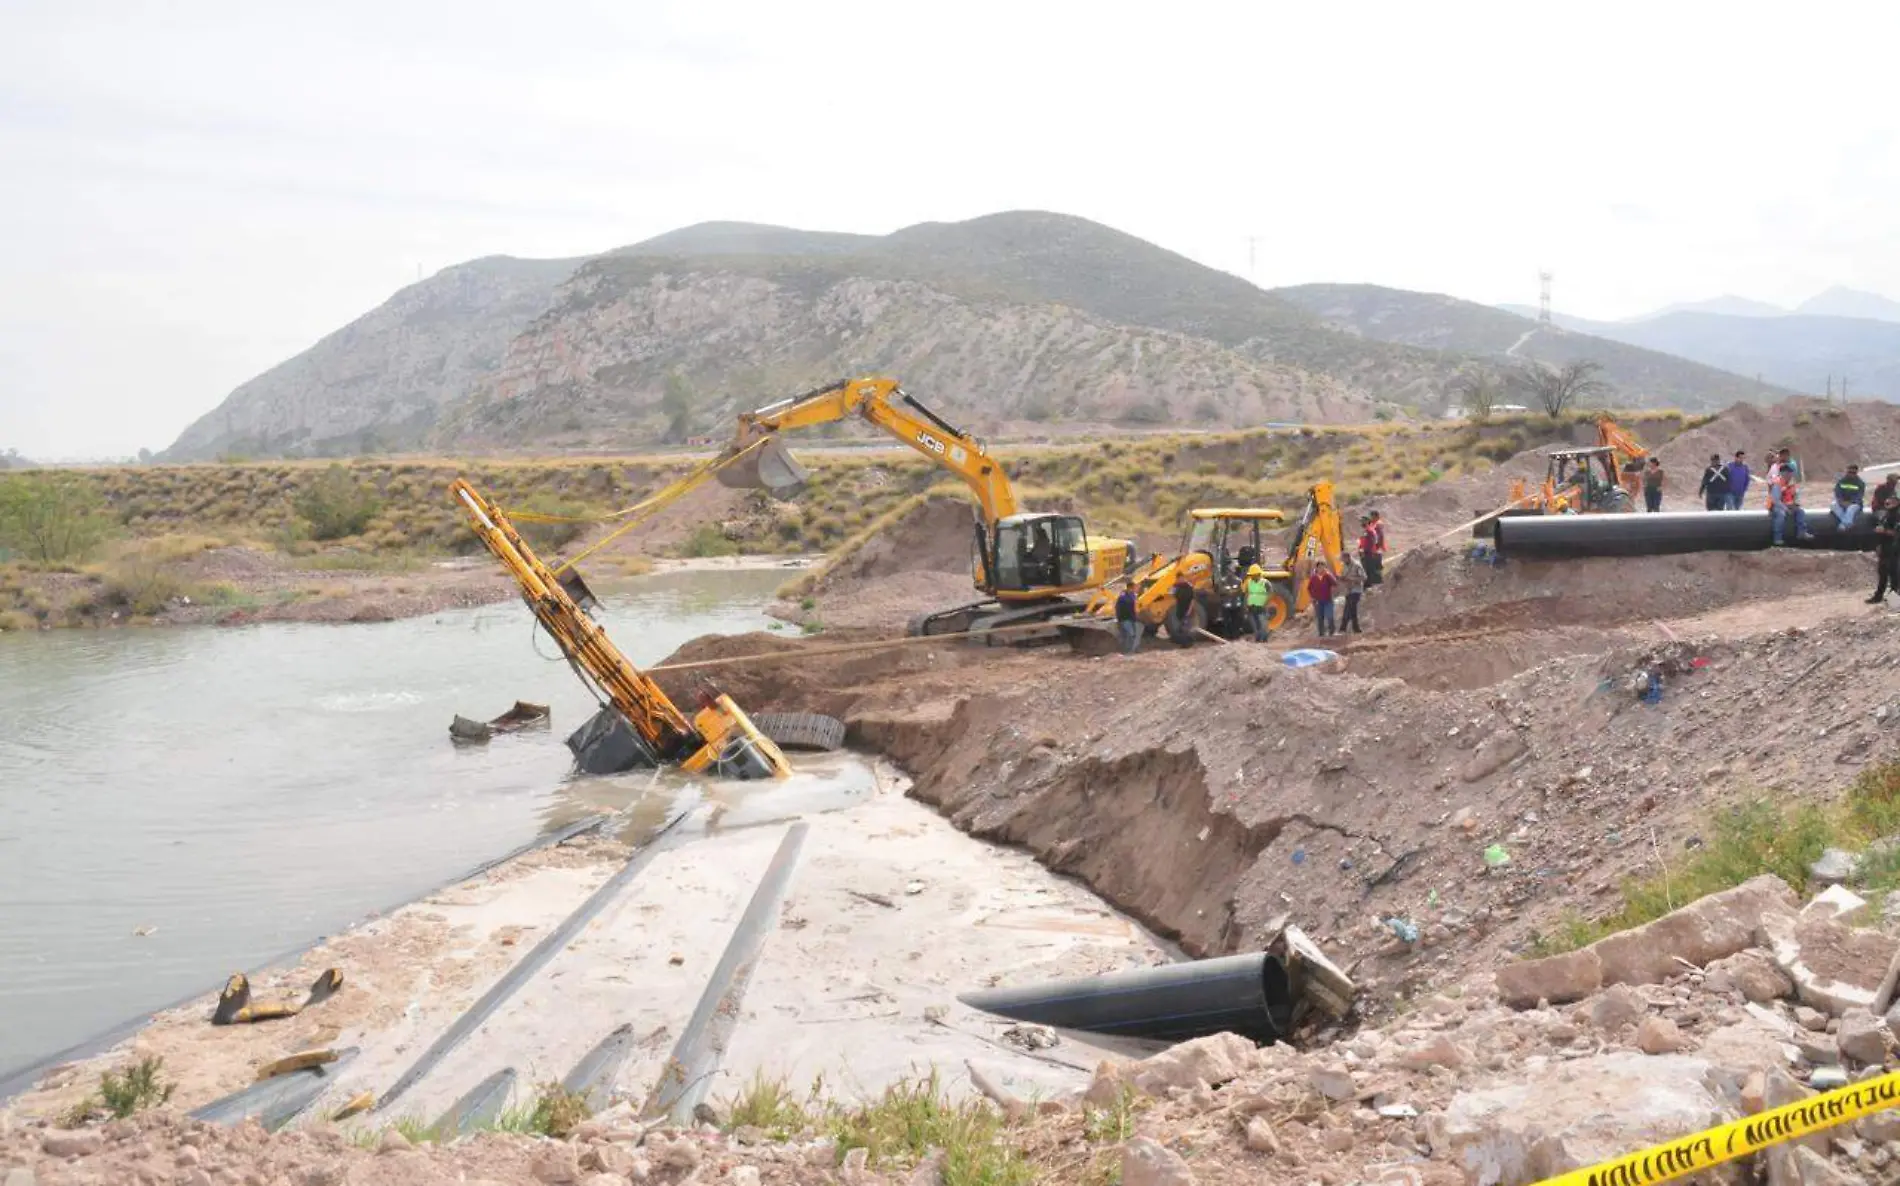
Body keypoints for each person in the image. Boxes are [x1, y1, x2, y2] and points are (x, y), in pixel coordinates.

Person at [1769, 468, 1815, 546]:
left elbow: (1796, 496)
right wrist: (1786, 509)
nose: (1790, 476)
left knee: (1800, 512)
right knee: (1781, 515)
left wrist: (1796, 505)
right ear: (1783, 474)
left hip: (1788, 505)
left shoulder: (1791, 484)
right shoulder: (1777, 484)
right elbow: (1776, 500)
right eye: (1788, 474)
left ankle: (1801, 532)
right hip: (1777, 506)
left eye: (1791, 474)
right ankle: (1777, 538)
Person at [1871, 495, 1900, 603]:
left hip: (1894, 549)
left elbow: (1896, 533)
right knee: (1882, 574)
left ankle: (1894, 601)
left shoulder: (1897, 515)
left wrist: (1884, 531)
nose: (1887, 502)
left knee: (1894, 575)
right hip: (1884, 548)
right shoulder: (1887, 514)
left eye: (1891, 501)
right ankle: (1878, 596)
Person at [1242, 563, 1272, 643]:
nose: (1251, 576)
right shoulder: (1249, 582)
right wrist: (1245, 605)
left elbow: (1270, 594)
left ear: (1257, 574)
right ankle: (1257, 640)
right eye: (1250, 575)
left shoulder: (1265, 583)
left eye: (1253, 575)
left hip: (1261, 607)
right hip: (1251, 607)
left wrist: (1266, 604)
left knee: (1263, 625)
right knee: (1255, 626)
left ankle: (1264, 640)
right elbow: (1247, 594)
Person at [1307, 562, 1338, 637]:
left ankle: (1332, 632)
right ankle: (1321, 634)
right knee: (1320, 618)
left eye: (1323, 567)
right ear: (1317, 568)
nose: (1322, 569)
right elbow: (1309, 588)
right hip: (1318, 601)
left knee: (1329, 616)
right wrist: (1312, 597)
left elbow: (1335, 583)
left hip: (1328, 600)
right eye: (1320, 567)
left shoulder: (1327, 576)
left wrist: (1330, 574)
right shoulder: (1313, 578)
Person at [1339, 552, 1367, 634]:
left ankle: (1343, 628)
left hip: (1356, 590)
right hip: (1348, 590)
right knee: (1350, 609)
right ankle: (1356, 629)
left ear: (1348, 558)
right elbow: (1343, 576)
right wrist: (1342, 578)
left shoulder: (1357, 565)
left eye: (1344, 559)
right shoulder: (1344, 566)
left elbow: (1364, 577)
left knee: (1350, 607)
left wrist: (1352, 579)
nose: (1343, 561)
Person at [1833, 464, 1868, 529]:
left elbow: (1859, 496)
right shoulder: (1841, 481)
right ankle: (1847, 523)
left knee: (1851, 509)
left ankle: (1844, 524)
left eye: (1853, 473)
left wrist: (1850, 503)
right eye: (1849, 472)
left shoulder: (1860, 483)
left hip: (1855, 504)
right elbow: (1837, 493)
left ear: (1856, 473)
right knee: (1833, 505)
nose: (1851, 474)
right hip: (1842, 502)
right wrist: (1841, 501)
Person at [1167, 575, 1197, 647]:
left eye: (1182, 578)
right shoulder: (1177, 587)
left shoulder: (1189, 587)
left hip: (1187, 611)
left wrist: (1189, 611)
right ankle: (1188, 641)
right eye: (1179, 579)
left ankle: (1187, 644)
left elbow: (1192, 601)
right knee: (1182, 628)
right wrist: (1173, 585)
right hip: (1180, 610)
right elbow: (1170, 593)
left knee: (1185, 628)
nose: (1180, 580)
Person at [1358, 512, 1386, 587]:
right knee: (1367, 571)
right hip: (1366, 554)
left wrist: (1366, 551)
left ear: (1367, 522)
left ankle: (1374, 587)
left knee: (1371, 572)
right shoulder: (1366, 531)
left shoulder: (1370, 531)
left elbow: (1372, 543)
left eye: (1362, 521)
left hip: (1370, 554)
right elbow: (1362, 543)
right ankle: (1368, 586)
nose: (1361, 523)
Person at [1114, 581, 1141, 655]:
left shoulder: (1133, 595)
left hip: (1132, 618)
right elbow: (1117, 607)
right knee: (1130, 634)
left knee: (1131, 634)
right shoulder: (1122, 597)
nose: (1135, 589)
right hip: (1124, 618)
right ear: (1129, 588)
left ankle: (1129, 650)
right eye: (1133, 588)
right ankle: (1127, 651)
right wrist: (1118, 618)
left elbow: (1135, 607)